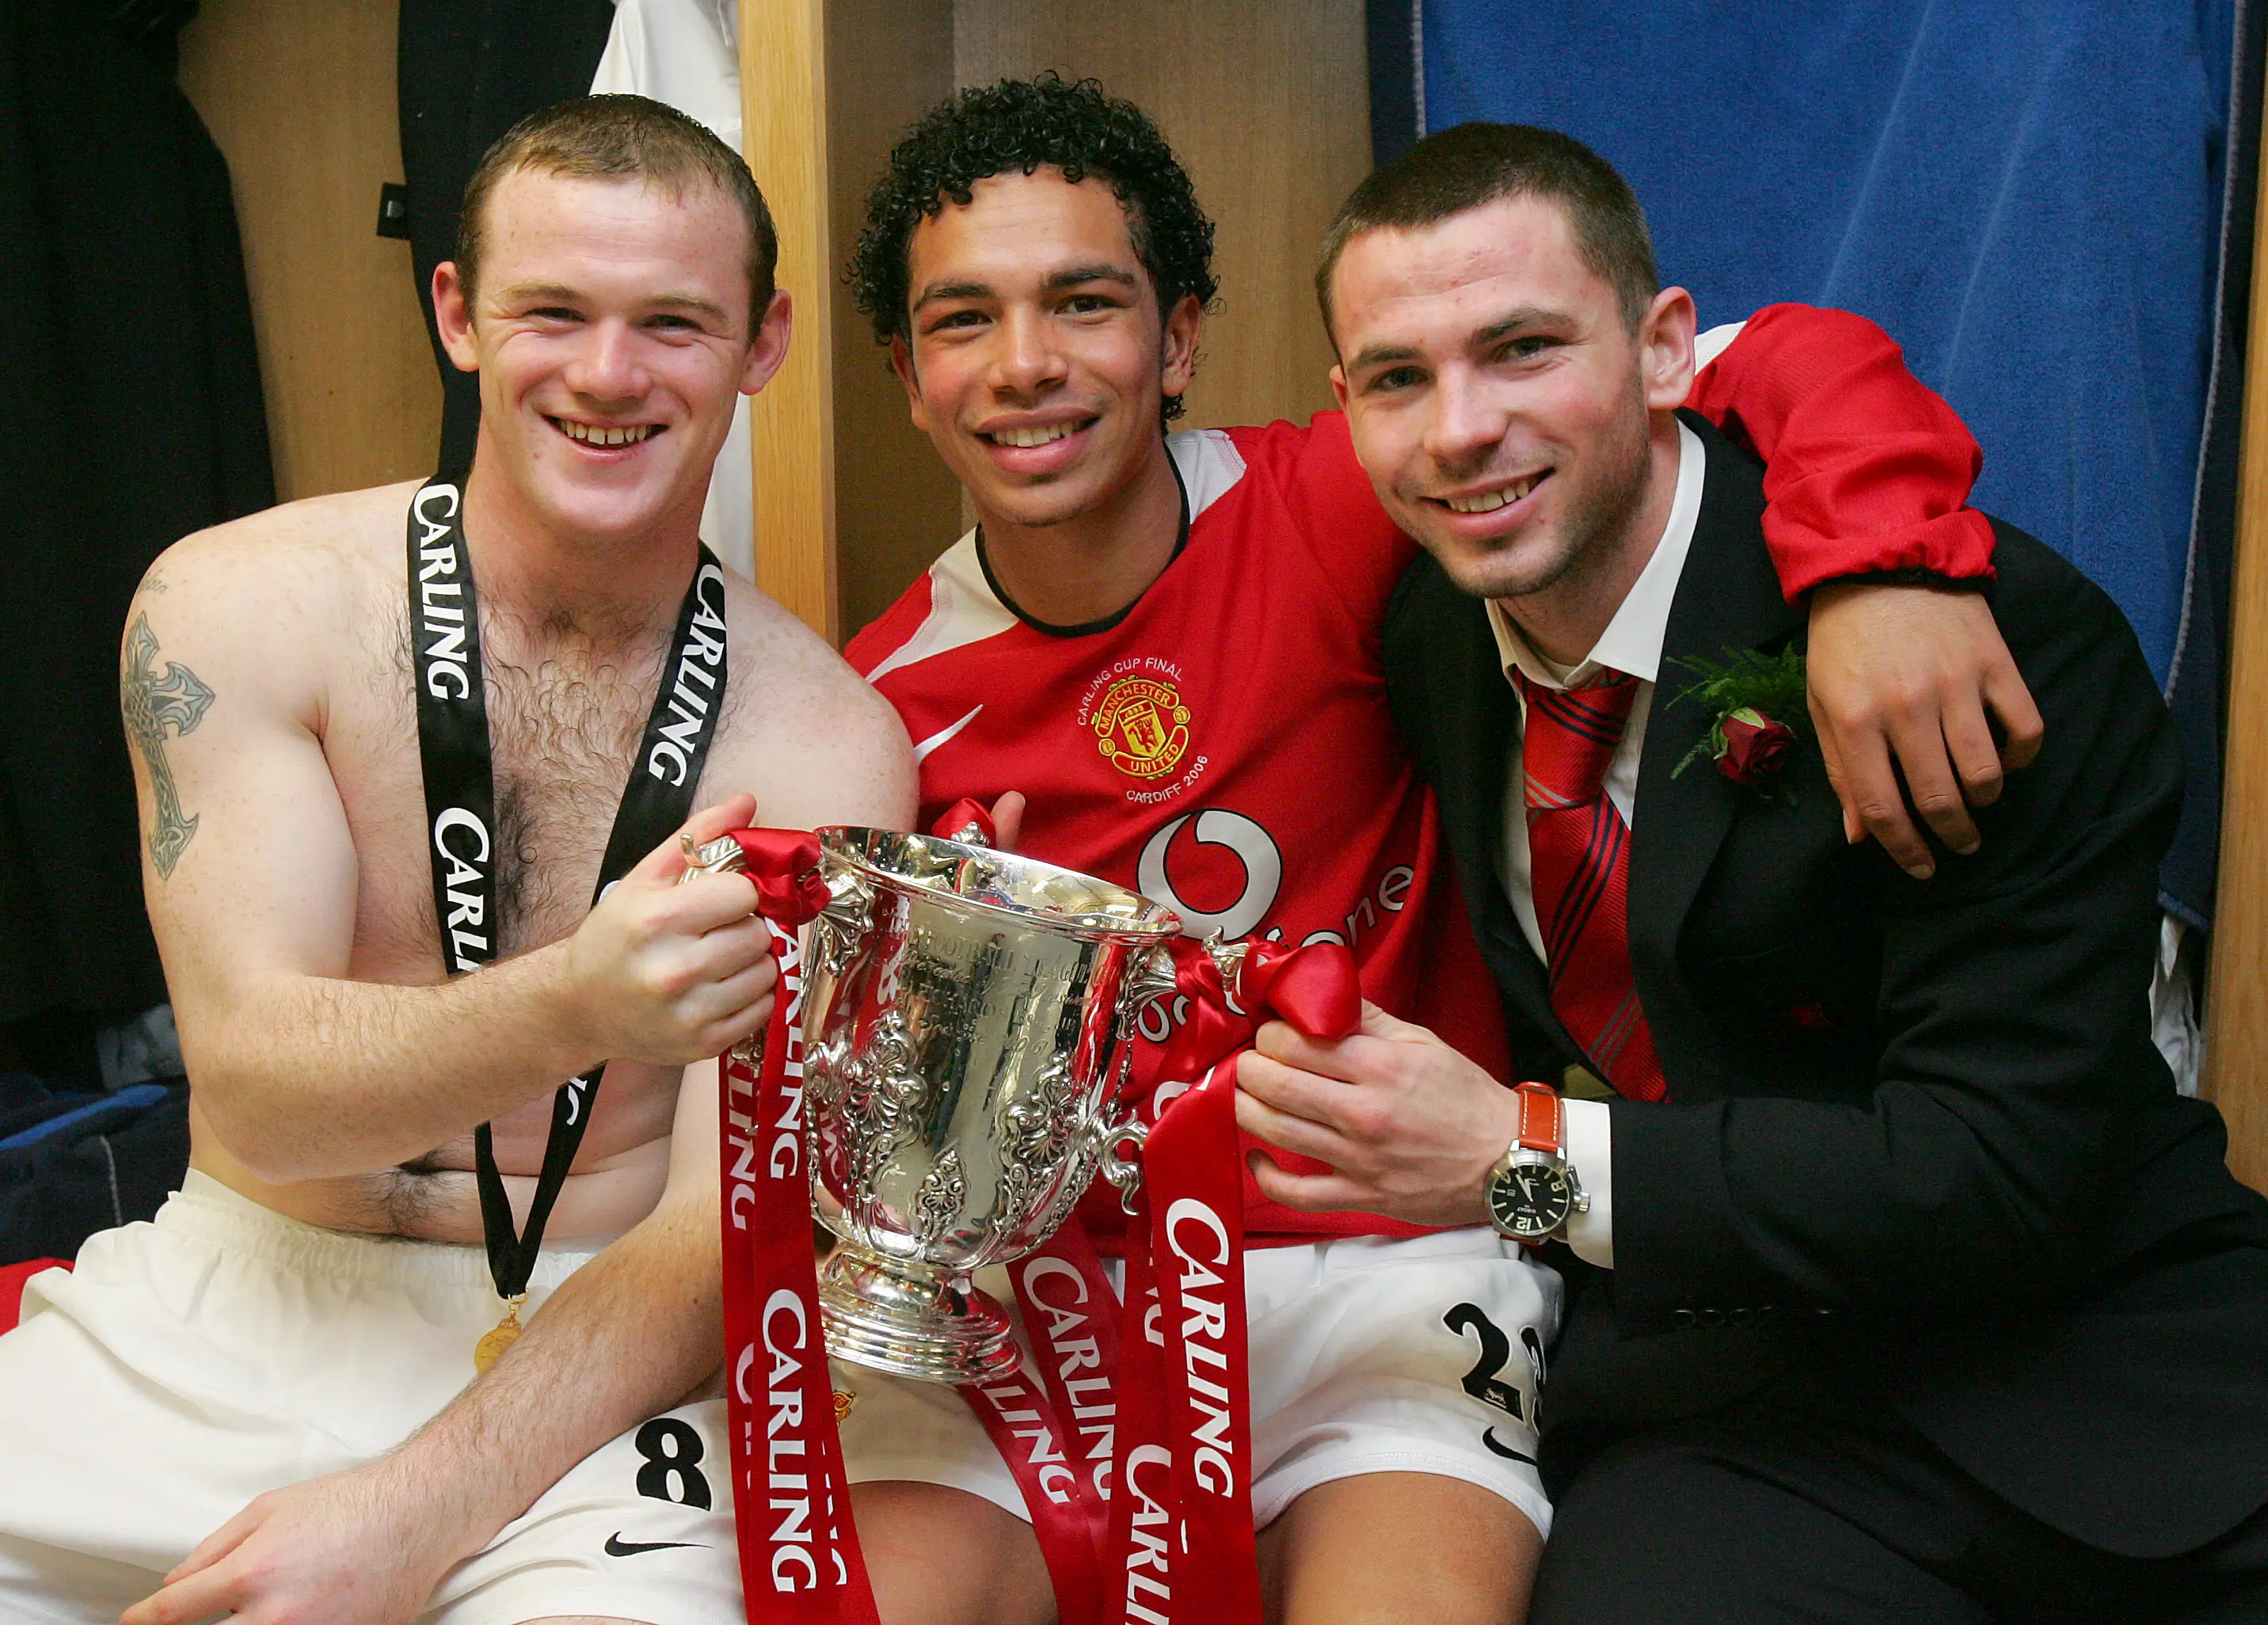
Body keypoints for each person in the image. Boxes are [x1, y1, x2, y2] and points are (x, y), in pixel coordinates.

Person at [839, 77, 2041, 1625]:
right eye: (963, 322)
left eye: (1084, 301)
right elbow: (914, 1169)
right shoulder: (889, 713)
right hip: (1076, 1289)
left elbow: (1784, 357)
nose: (1026, 366)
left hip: (1402, 1254)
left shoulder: (1351, 489)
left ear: (1180, 338)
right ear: (905, 374)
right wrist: (966, 1030)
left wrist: (1884, 563)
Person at [1239, 119, 2268, 1622]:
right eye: (1400, 378)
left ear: (1667, 351)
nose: (1459, 426)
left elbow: (1997, 1179)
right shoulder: (1427, 643)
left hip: (2100, 1375)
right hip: (1738, 1417)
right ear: (1345, 407)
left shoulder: (1970, 646)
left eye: (1522, 349)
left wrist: (1512, 1151)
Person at [0, 95, 914, 1625]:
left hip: (591, 1358)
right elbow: (259, 1088)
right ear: (457, 314)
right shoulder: (237, 603)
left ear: (764, 343)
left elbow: (712, 1232)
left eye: (675, 323)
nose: (608, 375)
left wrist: (410, 1514)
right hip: (234, 1285)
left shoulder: (828, 741)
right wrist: (581, 1003)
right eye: (551, 310)